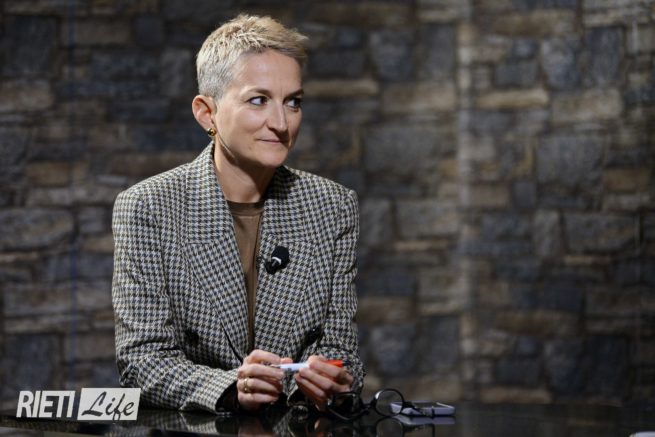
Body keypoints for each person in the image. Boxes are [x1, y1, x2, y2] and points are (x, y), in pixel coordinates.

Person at [111, 14, 364, 413]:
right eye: (258, 100)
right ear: (206, 113)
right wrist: (231, 387)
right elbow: (141, 362)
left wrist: (332, 380)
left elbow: (342, 351)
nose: (281, 123)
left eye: (293, 102)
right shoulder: (149, 208)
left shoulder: (332, 207)